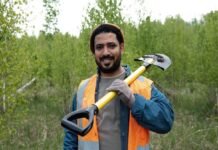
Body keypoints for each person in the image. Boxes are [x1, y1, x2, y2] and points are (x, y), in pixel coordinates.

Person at [63, 23, 174, 150]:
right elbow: (71, 136)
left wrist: (133, 101)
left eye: (111, 46)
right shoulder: (83, 89)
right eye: (99, 47)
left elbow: (166, 122)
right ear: (94, 52)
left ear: (121, 47)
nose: (105, 52)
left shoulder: (143, 86)